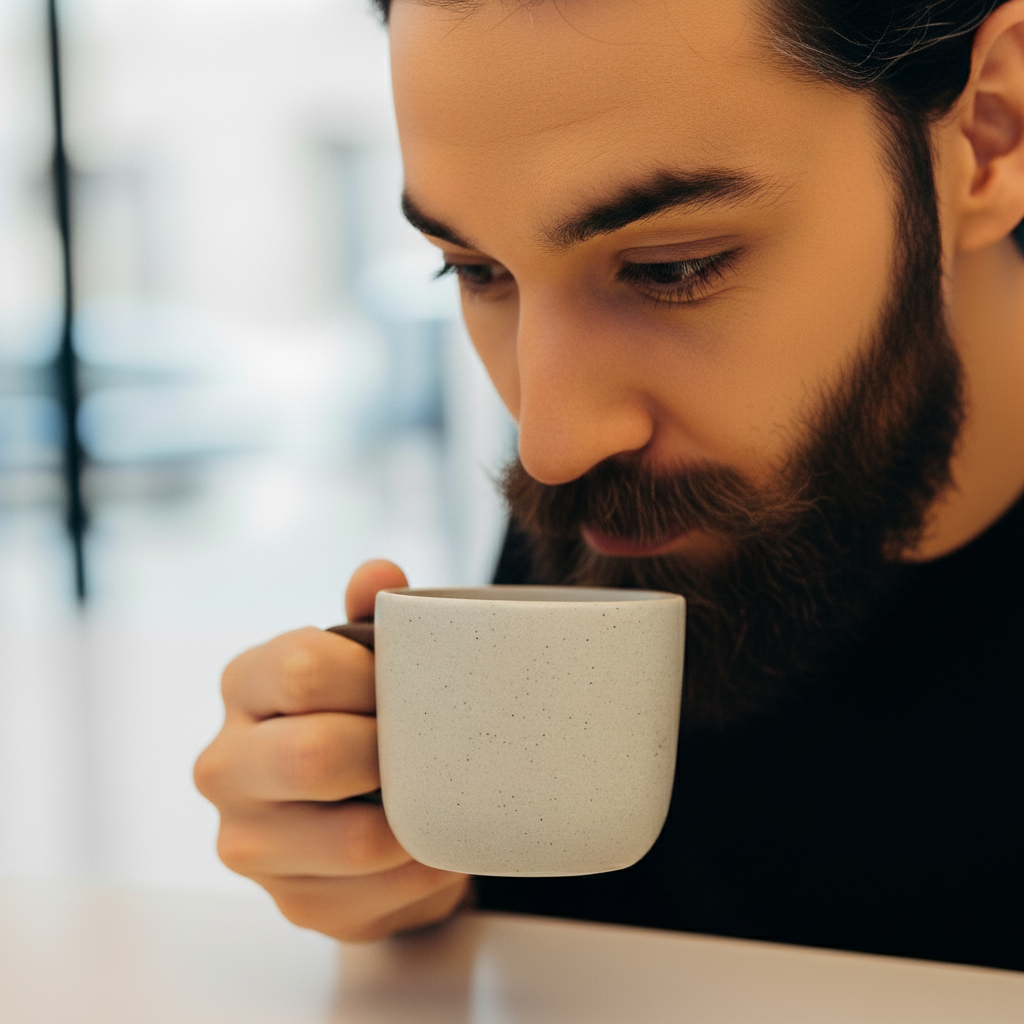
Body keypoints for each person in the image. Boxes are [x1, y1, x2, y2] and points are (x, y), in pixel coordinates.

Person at [194, 0, 1024, 971]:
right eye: (476, 269)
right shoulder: (643, 495)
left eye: (672, 270)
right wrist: (396, 873)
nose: (549, 442)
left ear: (988, 133)